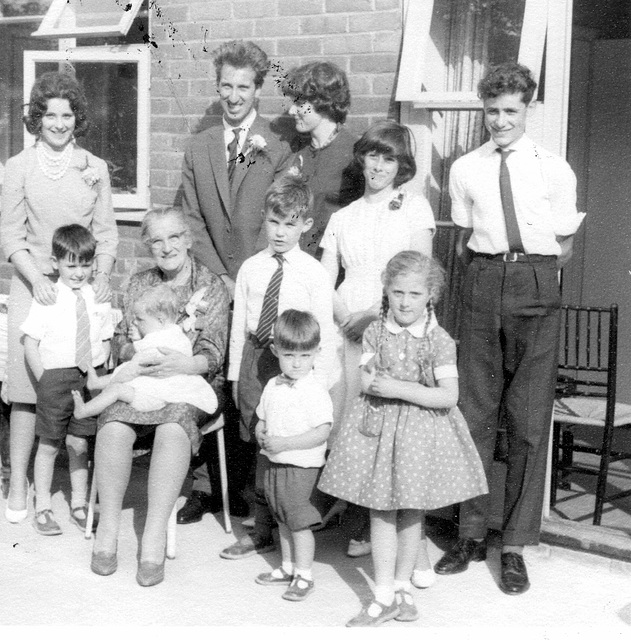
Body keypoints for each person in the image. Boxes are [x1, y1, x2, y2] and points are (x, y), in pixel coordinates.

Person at [434, 63, 585, 595]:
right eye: (492, 111)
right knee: (474, 412)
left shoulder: (553, 168)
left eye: (511, 111)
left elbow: (564, 243)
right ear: (483, 110)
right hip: (481, 280)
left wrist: (529, 271)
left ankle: (515, 544)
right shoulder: (465, 168)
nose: (500, 121)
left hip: (536, 282)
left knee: (526, 418)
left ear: (529, 109)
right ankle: (470, 531)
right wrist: (489, 273)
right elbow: (463, 236)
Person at [319, 251, 488, 626]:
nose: (405, 302)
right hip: (377, 430)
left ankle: (402, 588)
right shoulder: (376, 332)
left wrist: (396, 387)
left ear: (430, 295)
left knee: (412, 512)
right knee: (381, 510)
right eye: (397, 292)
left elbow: (448, 395)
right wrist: (377, 382)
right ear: (387, 291)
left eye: (414, 294)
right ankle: (381, 594)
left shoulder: (438, 340)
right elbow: (365, 379)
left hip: (418, 436)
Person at [178, 39, 294, 525]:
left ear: (258, 88)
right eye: (225, 85)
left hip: (258, 283)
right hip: (209, 281)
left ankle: (247, 489)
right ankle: (205, 486)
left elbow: (282, 217)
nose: (233, 95)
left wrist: (243, 278)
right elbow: (192, 217)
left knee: (251, 379)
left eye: (243, 86)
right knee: (205, 377)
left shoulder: (279, 147)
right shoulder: (199, 145)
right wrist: (220, 276)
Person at [90, 207, 229, 587]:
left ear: (187, 239)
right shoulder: (139, 283)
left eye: (173, 237)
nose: (166, 247)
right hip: (144, 378)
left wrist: (182, 364)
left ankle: (153, 535)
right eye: (156, 240)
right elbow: (120, 337)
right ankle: (110, 529)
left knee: (173, 427)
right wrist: (139, 355)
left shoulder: (210, 285)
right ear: (148, 245)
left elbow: (215, 353)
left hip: (191, 384)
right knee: (115, 422)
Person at [0, 71, 118, 524]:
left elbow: (106, 234)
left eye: (67, 114)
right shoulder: (18, 166)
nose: (58, 123)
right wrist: (37, 278)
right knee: (28, 388)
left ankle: (77, 486)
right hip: (34, 286)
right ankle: (18, 483)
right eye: (49, 114)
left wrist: (102, 275)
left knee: (77, 382)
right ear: (37, 118)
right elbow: (10, 234)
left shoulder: (94, 166)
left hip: (82, 288)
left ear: (77, 117)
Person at [319, 120, 435, 557]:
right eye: (372, 156)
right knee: (348, 419)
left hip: (393, 323)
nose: (379, 166)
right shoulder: (343, 217)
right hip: (345, 325)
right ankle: (350, 509)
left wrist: (375, 315)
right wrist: (347, 314)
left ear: (401, 164)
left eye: (389, 158)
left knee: (386, 423)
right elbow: (325, 277)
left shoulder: (414, 207)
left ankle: (379, 523)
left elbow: (418, 270)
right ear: (361, 158)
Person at [220, 174, 335, 560]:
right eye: (274, 222)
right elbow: (239, 327)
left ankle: (290, 520)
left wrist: (318, 382)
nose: (280, 232)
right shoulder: (251, 268)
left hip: (295, 365)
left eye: (290, 224)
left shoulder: (314, 273)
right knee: (258, 442)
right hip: (256, 361)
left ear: (306, 225)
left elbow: (324, 333)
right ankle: (260, 526)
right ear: (264, 219)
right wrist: (236, 376)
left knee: (287, 441)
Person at [20, 225, 115, 535]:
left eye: (85, 264)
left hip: (88, 378)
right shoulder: (48, 296)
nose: (78, 272)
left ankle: (79, 503)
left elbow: (105, 340)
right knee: (49, 444)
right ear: (55, 262)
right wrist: (44, 379)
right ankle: (43, 506)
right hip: (55, 378)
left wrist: (100, 374)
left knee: (79, 444)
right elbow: (30, 343)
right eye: (71, 264)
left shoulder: (97, 296)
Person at [254, 310, 333, 602]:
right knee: (282, 518)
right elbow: (263, 417)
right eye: (289, 356)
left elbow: (321, 431)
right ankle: (287, 568)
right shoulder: (273, 384)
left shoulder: (314, 390)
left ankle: (305, 575)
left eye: (305, 356)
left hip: (302, 467)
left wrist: (285, 444)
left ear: (316, 353)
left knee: (299, 522)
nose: (297, 363)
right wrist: (262, 431)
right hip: (276, 464)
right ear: (276, 351)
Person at [72, 284, 217, 420]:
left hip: (155, 396)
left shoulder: (159, 344)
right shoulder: (175, 334)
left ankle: (85, 410)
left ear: (160, 320)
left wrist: (115, 381)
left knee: (116, 389)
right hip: (162, 388)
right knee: (124, 372)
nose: (135, 322)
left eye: (140, 319)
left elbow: (131, 371)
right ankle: (96, 383)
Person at [282, 61, 363, 258]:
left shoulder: (355, 153)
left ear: (323, 103)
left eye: (300, 104)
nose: (292, 111)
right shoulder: (296, 150)